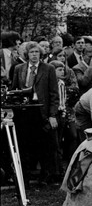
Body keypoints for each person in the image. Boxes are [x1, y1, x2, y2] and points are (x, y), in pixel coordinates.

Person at [10, 43, 60, 184]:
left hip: (42, 112)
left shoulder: (48, 69)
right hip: (24, 113)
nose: (34, 55)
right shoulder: (19, 69)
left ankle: (45, 176)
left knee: (44, 146)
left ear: (40, 54)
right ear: (27, 54)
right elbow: (14, 90)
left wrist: (52, 115)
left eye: (37, 52)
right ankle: (24, 177)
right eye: (31, 52)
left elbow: (54, 94)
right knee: (24, 146)